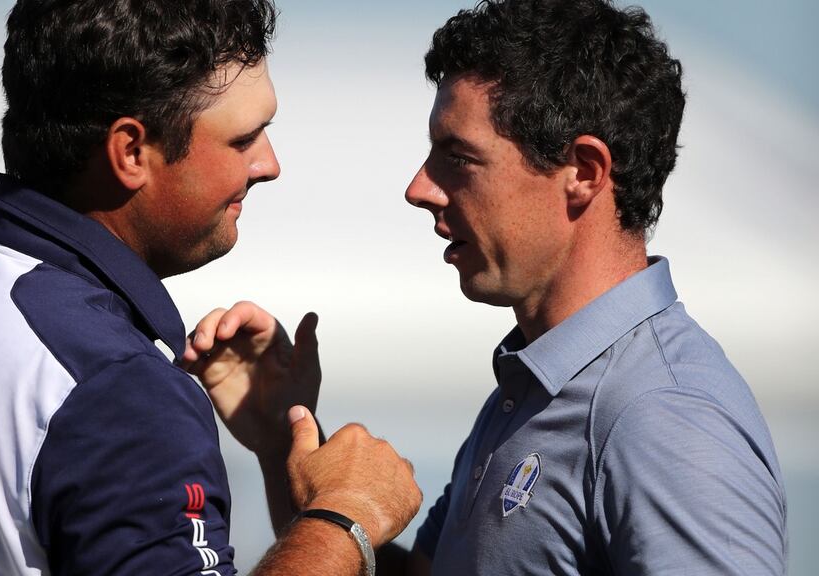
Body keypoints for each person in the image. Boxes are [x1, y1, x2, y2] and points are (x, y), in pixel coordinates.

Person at [0, 0, 421, 574]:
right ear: (130, 152)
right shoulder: (117, 389)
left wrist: (279, 449)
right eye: (241, 139)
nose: (269, 164)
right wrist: (343, 519)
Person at [191, 0, 788, 574]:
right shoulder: (536, 386)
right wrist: (283, 444)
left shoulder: (667, 416)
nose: (419, 187)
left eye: (459, 157)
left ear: (583, 172)